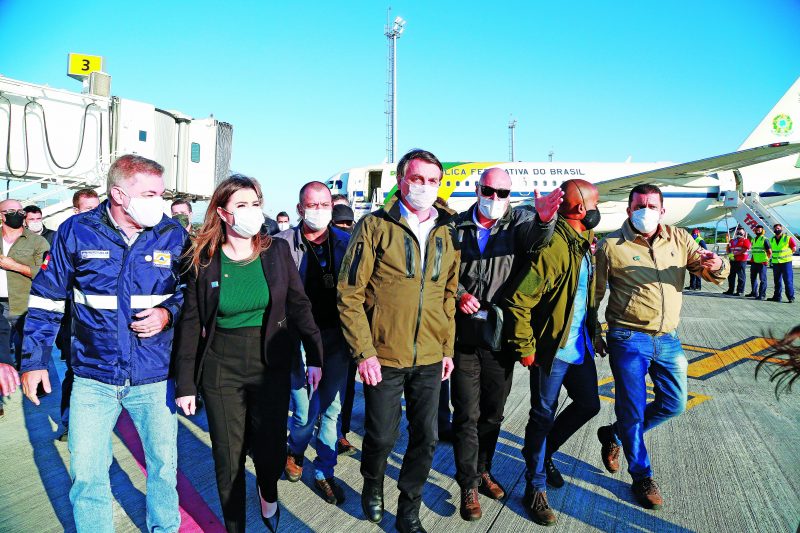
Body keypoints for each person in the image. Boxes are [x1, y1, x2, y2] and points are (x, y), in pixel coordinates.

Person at [20, 154, 186, 532]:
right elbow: (46, 300)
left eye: (161, 193)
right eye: (150, 193)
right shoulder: (76, 232)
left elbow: (191, 292)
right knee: (88, 474)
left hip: (154, 377)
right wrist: (33, 361)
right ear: (118, 194)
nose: (158, 202)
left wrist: (167, 314)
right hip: (93, 379)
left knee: (163, 469)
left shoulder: (173, 234)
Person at [174, 174, 323, 533]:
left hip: (270, 363)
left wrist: (314, 355)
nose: (253, 212)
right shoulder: (203, 259)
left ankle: (267, 490)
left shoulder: (276, 251)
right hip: (221, 365)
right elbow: (191, 324)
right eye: (242, 205)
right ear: (223, 213)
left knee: (270, 449)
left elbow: (299, 305)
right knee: (228, 457)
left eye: (256, 204)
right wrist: (185, 384)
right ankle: (235, 525)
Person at [338, 148, 459, 533]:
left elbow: (448, 294)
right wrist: (364, 352)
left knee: (426, 439)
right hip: (383, 356)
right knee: (381, 436)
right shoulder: (375, 226)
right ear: (401, 181)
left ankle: (409, 511)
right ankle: (372, 482)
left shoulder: (447, 231)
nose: (424, 187)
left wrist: (446, 348)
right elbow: (349, 293)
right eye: (416, 179)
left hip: (429, 356)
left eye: (432, 180)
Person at [594, 184, 728, 510]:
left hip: (668, 338)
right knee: (633, 408)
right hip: (628, 338)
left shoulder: (680, 239)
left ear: (663, 209)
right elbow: (594, 293)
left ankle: (614, 434)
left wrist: (717, 263)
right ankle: (642, 476)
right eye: (639, 205)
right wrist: (594, 331)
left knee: (674, 404)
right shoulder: (611, 244)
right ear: (628, 210)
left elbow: (712, 273)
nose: (646, 211)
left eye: (652, 205)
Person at [450, 167, 561, 521]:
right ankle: (468, 484)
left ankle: (483, 469)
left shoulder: (518, 224)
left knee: (493, 412)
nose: (495, 198)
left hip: (499, 336)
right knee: (466, 413)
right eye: (488, 190)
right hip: (463, 334)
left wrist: (545, 220)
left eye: (502, 193)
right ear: (477, 189)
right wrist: (459, 293)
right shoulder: (454, 226)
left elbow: (538, 241)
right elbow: (441, 271)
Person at [505, 179, 601, 525]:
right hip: (551, 350)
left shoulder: (584, 241)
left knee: (590, 404)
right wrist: (525, 346)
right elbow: (519, 299)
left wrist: (596, 331)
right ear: (578, 209)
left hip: (579, 345)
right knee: (542, 416)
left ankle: (544, 456)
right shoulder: (555, 248)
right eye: (594, 202)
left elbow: (586, 294)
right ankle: (535, 486)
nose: (597, 208)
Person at [275, 182, 352, 505]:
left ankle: (325, 470)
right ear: (299, 209)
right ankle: (295, 449)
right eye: (312, 205)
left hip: (335, 336)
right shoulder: (279, 244)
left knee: (332, 408)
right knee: (304, 410)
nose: (318, 211)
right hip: (295, 339)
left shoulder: (346, 243)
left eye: (324, 205)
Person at [55, 188, 102, 441]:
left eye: (97, 208)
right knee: (75, 375)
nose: (94, 214)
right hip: (75, 324)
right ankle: (69, 423)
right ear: (76, 211)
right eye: (88, 209)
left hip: (101, 327)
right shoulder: (67, 236)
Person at [0, 199, 50, 368]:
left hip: (26, 303)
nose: (18, 214)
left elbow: (46, 273)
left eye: (20, 211)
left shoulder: (38, 242)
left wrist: (14, 266)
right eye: (12, 211)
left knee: (30, 350)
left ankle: (36, 386)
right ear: (1, 216)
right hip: (0, 305)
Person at [769, 223, 796, 303]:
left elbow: (793, 248)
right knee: (777, 281)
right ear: (773, 230)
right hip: (776, 263)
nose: (777, 230)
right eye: (775, 229)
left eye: (778, 228)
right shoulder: (772, 239)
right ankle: (777, 296)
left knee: (788, 280)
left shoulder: (788, 238)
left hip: (786, 263)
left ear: (782, 229)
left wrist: (786, 256)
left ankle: (791, 297)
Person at [746, 225, 771, 300]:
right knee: (753, 278)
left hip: (762, 263)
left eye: (759, 230)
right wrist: (752, 260)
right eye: (756, 230)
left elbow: (769, 252)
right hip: (754, 262)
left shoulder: (765, 239)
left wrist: (766, 260)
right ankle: (754, 292)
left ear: (762, 231)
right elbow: (754, 251)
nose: (758, 231)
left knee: (762, 279)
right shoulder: (753, 239)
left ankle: (762, 295)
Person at [724, 228, 750, 296]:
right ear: (735, 233)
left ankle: (740, 291)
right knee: (731, 276)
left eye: (741, 232)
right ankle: (730, 290)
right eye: (738, 232)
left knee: (741, 276)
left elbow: (744, 250)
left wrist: (735, 254)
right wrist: (730, 254)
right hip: (732, 260)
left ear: (744, 233)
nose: (739, 234)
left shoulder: (745, 240)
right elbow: (728, 248)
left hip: (741, 261)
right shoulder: (732, 241)